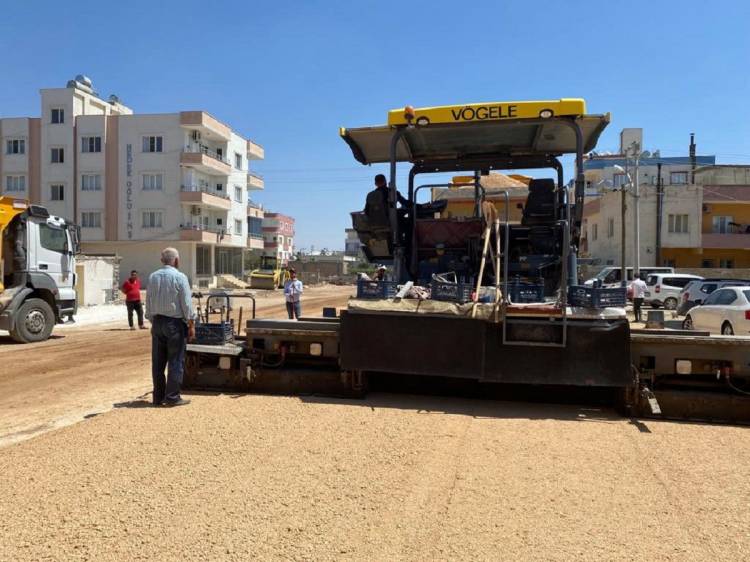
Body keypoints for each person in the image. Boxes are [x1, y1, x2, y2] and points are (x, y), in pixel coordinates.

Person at [145, 248, 195, 407]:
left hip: (157, 323)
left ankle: (158, 397)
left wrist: (153, 320)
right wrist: (191, 323)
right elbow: (186, 305)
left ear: (162, 260)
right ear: (177, 261)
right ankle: (172, 397)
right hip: (174, 324)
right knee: (175, 361)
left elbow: (148, 302)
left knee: (158, 363)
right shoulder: (180, 277)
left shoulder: (153, 277)